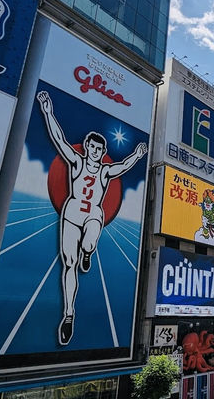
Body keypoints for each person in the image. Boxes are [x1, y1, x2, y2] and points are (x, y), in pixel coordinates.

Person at [37, 91, 147, 345]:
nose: (95, 151)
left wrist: (138, 155)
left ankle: (89, 251)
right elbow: (58, 138)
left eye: (99, 148)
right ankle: (68, 314)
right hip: (72, 212)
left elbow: (124, 166)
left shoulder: (106, 171)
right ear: (87, 147)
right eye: (92, 147)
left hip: (93, 212)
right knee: (69, 263)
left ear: (102, 150)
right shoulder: (76, 162)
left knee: (91, 233)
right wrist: (47, 111)